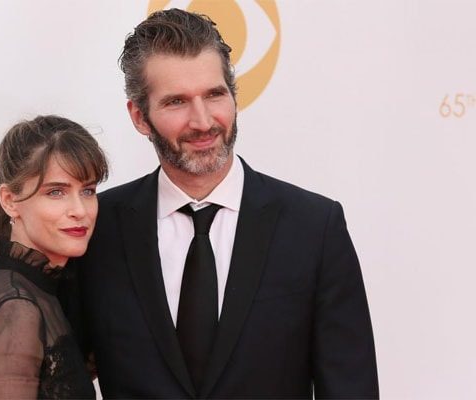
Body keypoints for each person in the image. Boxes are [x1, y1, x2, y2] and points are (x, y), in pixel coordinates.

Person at [65, 8, 379, 399]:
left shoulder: (314, 227)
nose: (203, 122)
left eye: (215, 95)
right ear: (139, 116)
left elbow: (351, 388)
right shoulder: (98, 227)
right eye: (176, 101)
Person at [0, 115, 108, 399]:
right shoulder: (17, 309)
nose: (80, 210)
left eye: (87, 190)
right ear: (10, 201)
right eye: (56, 192)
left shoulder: (45, 287)